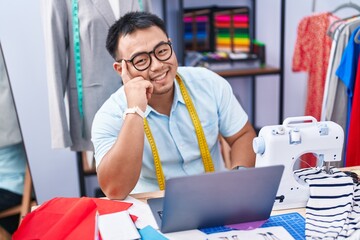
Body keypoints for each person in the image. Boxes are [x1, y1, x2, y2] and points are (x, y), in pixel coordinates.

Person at [91, 11, 256, 200]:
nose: (157, 66)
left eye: (162, 51)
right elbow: (115, 190)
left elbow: (242, 136)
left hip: (216, 197)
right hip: (151, 206)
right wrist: (134, 111)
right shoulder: (109, 115)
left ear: (170, 44)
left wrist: (239, 178)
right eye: (141, 61)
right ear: (121, 69)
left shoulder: (209, 83)